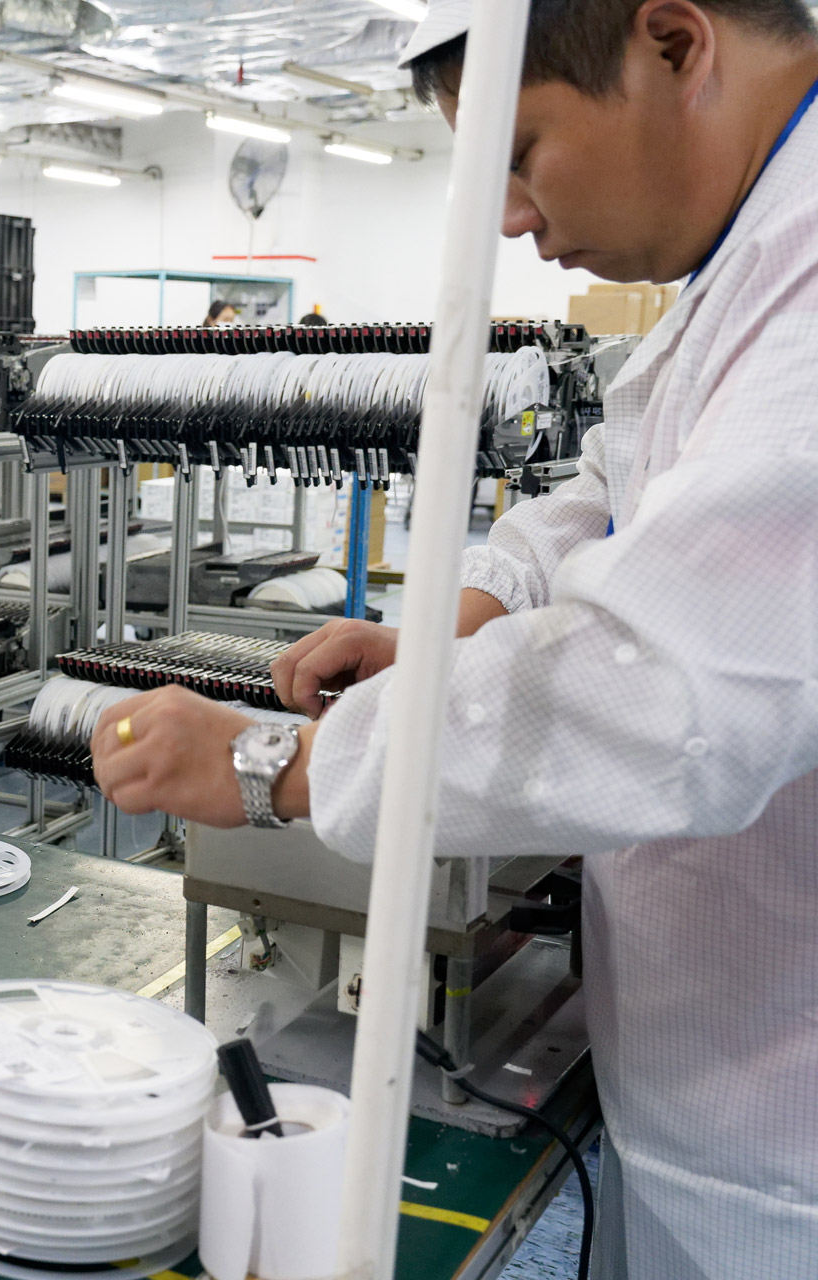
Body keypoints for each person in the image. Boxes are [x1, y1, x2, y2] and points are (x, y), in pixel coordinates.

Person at [89, 3, 818, 1277]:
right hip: (716, 1073)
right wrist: (458, 616)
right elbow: (613, 488)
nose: (510, 217)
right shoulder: (751, 262)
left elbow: (667, 697)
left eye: (520, 153)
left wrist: (278, 764)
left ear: (673, 43)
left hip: (782, 1142)